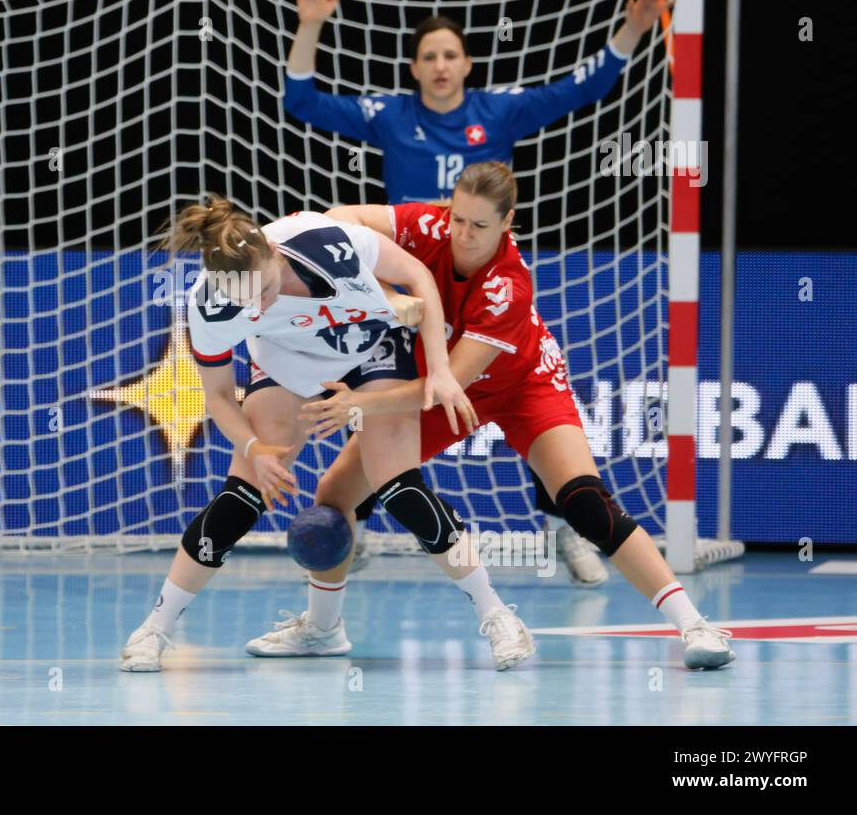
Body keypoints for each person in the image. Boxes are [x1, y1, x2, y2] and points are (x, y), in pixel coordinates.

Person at [283, 0, 670, 579]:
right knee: (393, 412)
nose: (440, 65)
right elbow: (299, 101)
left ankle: (563, 523)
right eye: (428, 56)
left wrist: (633, 27)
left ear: (466, 65)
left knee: (513, 389)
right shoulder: (389, 115)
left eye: (451, 55)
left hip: (482, 287)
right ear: (414, 68)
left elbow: (579, 88)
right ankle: (345, 535)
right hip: (410, 300)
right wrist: (309, 25)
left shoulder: (499, 112)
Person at [296, 162, 734, 670]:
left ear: (508, 222)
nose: (463, 235)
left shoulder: (507, 285)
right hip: (449, 389)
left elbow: (447, 386)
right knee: (334, 495)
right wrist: (387, 294)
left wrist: (358, 403)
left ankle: (694, 625)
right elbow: (334, 219)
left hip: (520, 383)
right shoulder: (427, 226)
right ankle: (322, 630)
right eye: (457, 219)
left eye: (479, 226)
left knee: (586, 503)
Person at [120, 195, 535, 672]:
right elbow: (216, 397)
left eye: (266, 289)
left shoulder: (327, 241)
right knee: (242, 494)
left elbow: (419, 277)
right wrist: (253, 448)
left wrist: (439, 368)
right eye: (245, 299)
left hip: (371, 345)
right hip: (287, 362)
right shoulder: (211, 307)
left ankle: (497, 615)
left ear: (275, 253)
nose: (257, 304)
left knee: (399, 487)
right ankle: (155, 627)